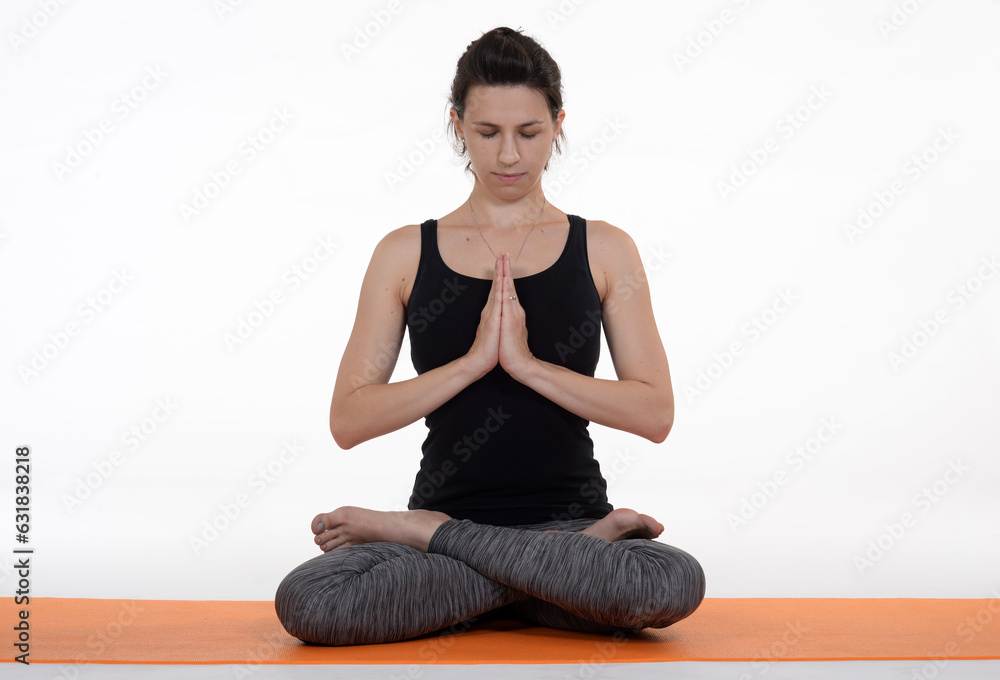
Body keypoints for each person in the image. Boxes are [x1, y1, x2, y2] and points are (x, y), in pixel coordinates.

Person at [274, 26, 705, 646]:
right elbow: (349, 419)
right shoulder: (403, 253)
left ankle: (432, 538)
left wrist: (528, 366)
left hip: (544, 520)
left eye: (528, 133)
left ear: (558, 124)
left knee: (669, 581)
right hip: (525, 546)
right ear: (456, 125)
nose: (509, 155)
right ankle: (550, 573)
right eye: (487, 133)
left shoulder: (607, 248)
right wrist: (474, 362)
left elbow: (655, 412)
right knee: (311, 602)